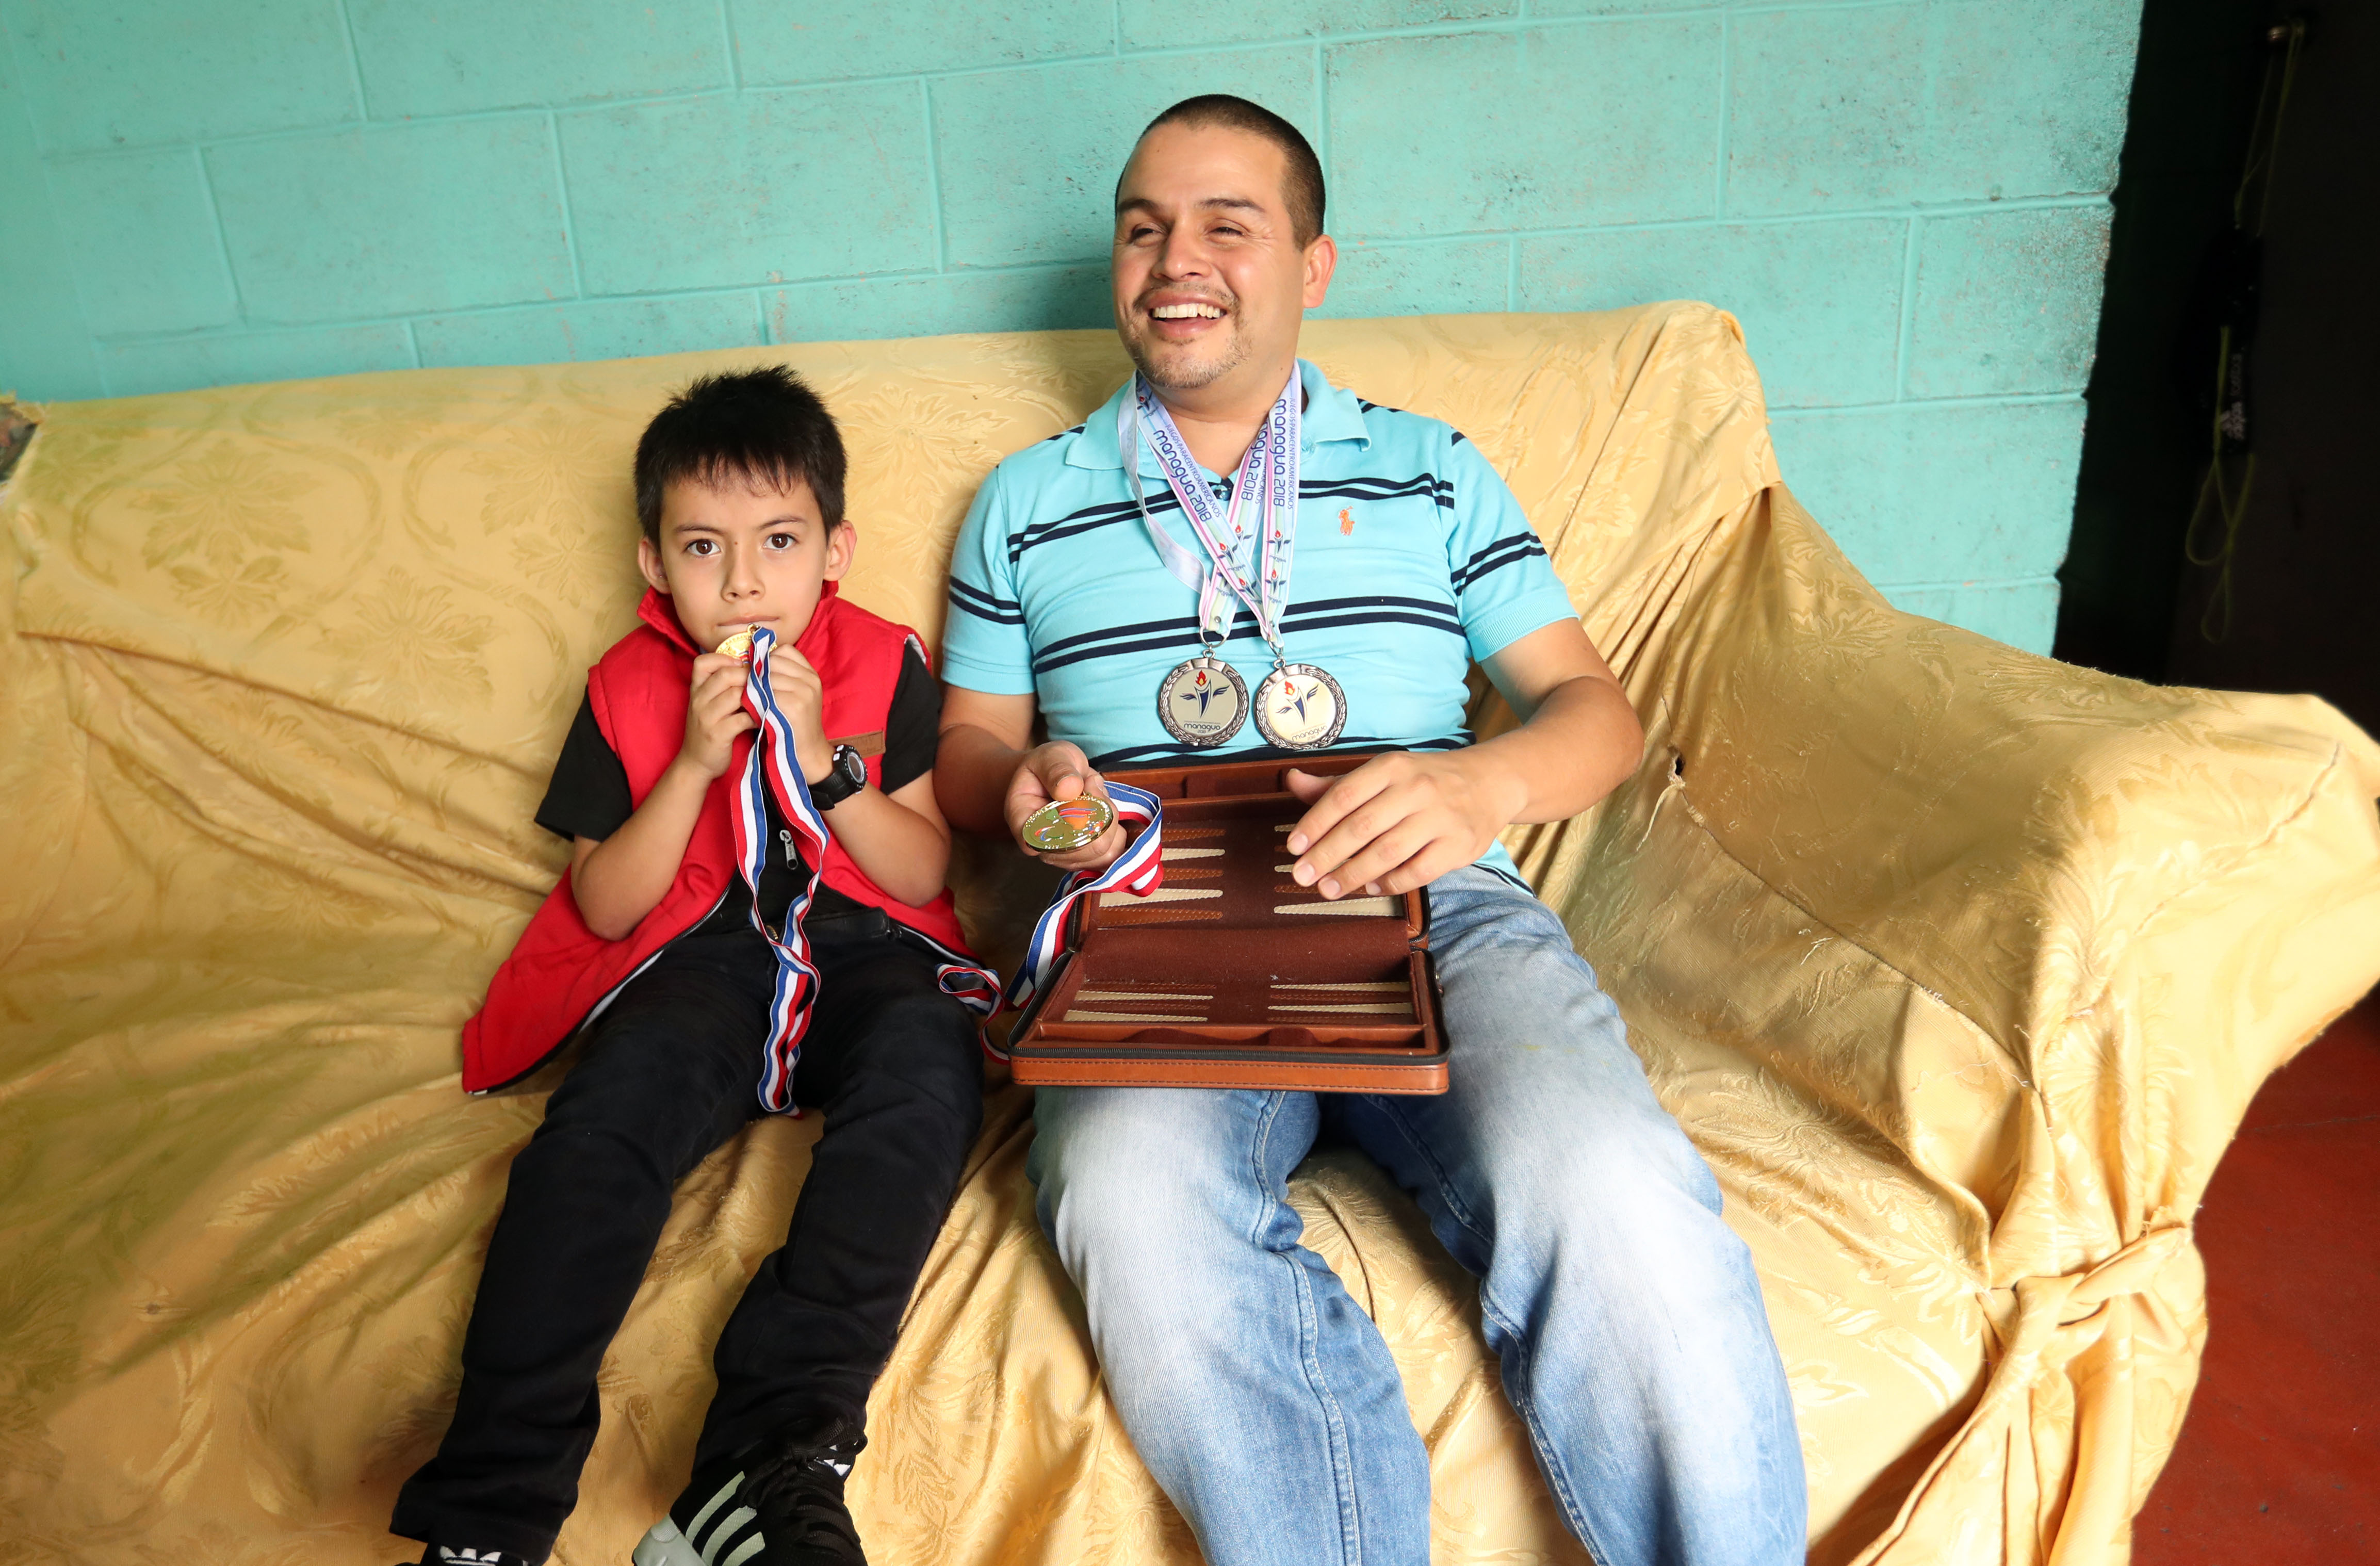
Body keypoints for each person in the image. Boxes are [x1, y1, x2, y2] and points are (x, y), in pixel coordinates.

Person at [933, 96, 1807, 1566]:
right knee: (1126, 1201)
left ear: (1313, 265)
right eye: (1142, 226)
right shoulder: (1023, 502)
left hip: (1432, 905)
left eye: (1228, 223)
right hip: (1150, 925)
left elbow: (1594, 713)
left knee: (1608, 1183)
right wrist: (1024, 785)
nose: (1174, 260)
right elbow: (965, 753)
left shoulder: (1430, 466)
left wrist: (1477, 787)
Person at [392, 367, 991, 1566]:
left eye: (778, 542)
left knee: (930, 1075)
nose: (744, 580)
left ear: (835, 551)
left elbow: (921, 875)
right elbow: (606, 902)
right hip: (698, 963)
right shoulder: (624, 683)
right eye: (703, 548)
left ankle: (761, 1459)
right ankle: (493, 1511)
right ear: (653, 564)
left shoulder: (885, 660)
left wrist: (824, 758)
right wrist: (688, 769)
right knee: (597, 1130)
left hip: (865, 953)